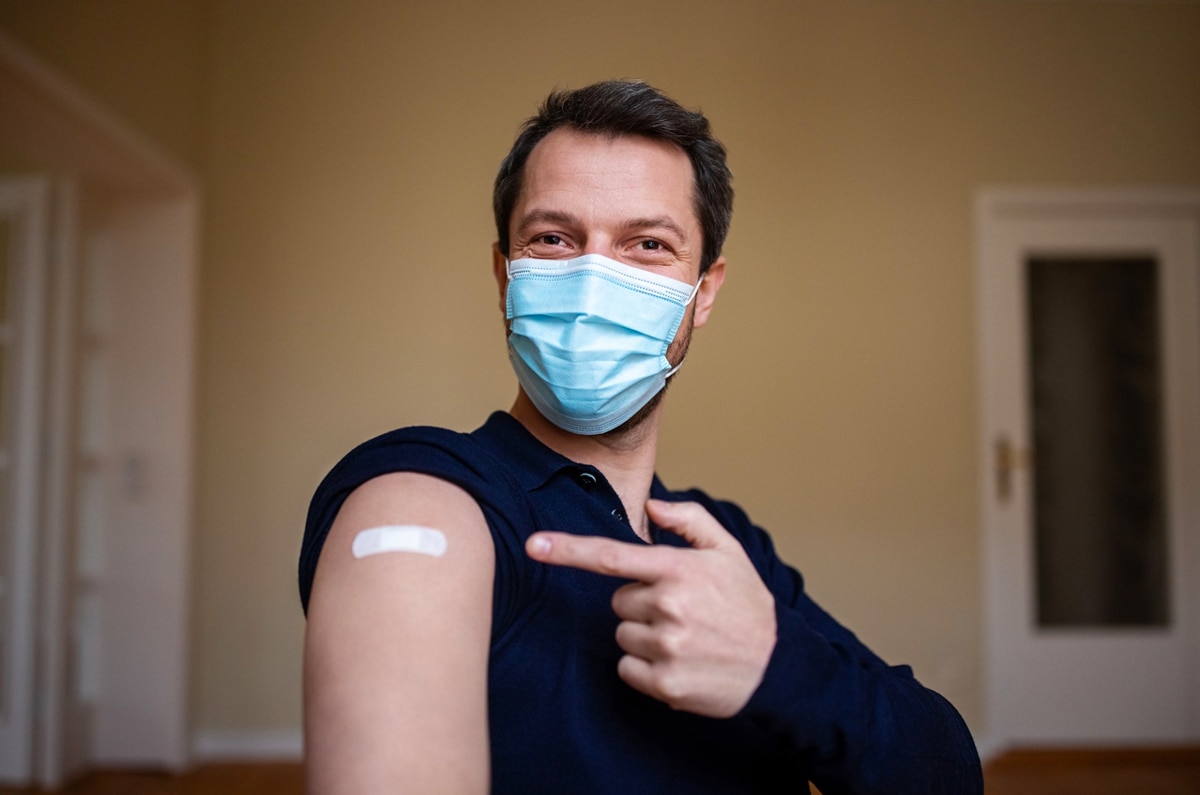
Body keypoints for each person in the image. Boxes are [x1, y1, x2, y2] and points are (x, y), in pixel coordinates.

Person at [299, 79, 983, 794]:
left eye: (648, 244)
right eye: (554, 238)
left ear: (704, 290)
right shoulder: (423, 499)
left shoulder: (721, 546)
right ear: (505, 272)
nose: (595, 281)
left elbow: (945, 774)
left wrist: (776, 666)